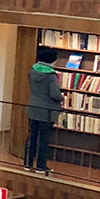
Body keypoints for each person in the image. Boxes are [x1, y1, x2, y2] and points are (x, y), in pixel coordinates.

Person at [25, 45, 64, 173]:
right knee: (44, 138)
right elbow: (54, 94)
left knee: (32, 135)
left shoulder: (33, 70)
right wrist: (62, 97)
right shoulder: (51, 75)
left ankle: (27, 162)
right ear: (52, 60)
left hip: (33, 107)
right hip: (47, 111)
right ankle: (41, 165)